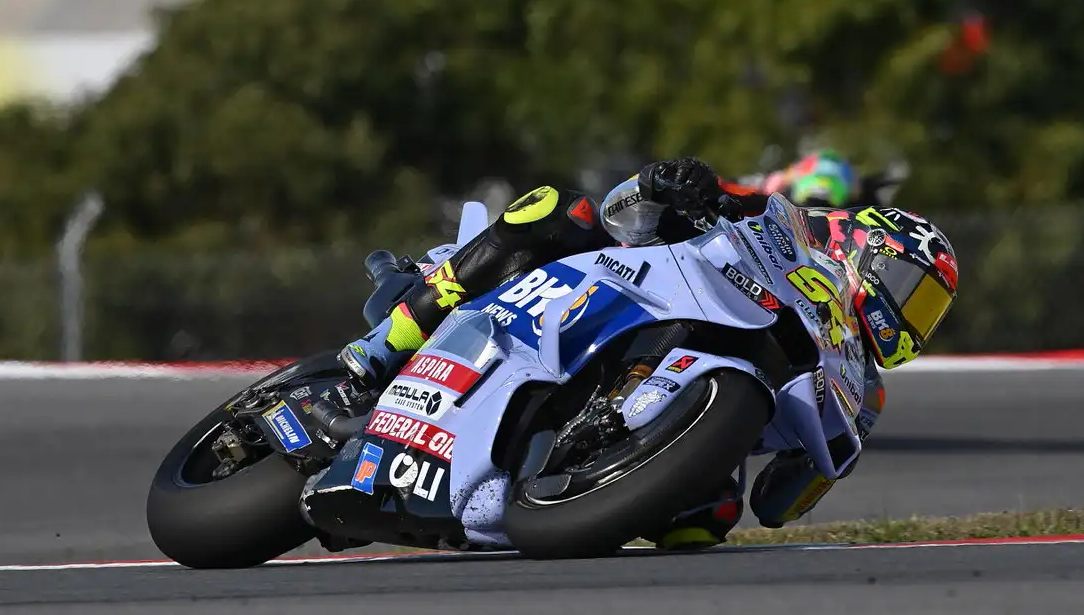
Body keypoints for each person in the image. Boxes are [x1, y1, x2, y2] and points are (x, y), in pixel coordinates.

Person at [340, 156, 958, 547]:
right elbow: (629, 205)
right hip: (635, 285)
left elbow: (776, 506)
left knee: (708, 520)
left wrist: (812, 475)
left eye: (927, 312)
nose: (909, 316)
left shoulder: (863, 392)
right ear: (868, 249)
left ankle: (570, 477)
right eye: (913, 292)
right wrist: (672, 182)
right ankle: (390, 339)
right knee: (558, 209)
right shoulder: (782, 220)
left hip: (707, 397)